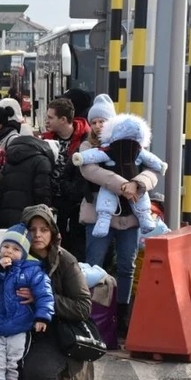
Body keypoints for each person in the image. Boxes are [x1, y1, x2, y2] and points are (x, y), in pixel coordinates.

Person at [0, 204, 94, 380]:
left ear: (52, 233)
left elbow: (83, 307)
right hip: (18, 326)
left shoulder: (66, 261)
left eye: (44, 229)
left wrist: (41, 299)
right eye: (32, 229)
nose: (37, 235)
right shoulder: (12, 255)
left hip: (54, 331)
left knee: (40, 374)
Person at [77, 94, 160, 337]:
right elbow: (91, 171)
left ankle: (123, 314)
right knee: (94, 264)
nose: (98, 125)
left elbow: (153, 171)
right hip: (98, 215)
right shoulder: (87, 147)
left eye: (103, 121)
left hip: (129, 218)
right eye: (94, 122)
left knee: (127, 266)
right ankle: (93, 314)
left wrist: (138, 183)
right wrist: (126, 185)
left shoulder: (134, 144)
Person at [0, 224, 55, 380]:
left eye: (16, 249)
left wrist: (42, 316)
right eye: (6, 246)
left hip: (20, 323)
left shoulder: (32, 270)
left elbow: (44, 293)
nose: (9, 251)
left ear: (24, 253)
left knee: (15, 356)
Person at [41, 98, 90, 261]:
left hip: (76, 204)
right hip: (53, 202)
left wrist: (71, 190)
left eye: (50, 117)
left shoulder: (85, 140)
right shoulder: (45, 139)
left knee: (76, 246)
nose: (46, 121)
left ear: (63, 120)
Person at [0, 137, 57, 231]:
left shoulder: (9, 162)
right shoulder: (42, 161)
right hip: (29, 217)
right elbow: (43, 192)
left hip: (3, 215)